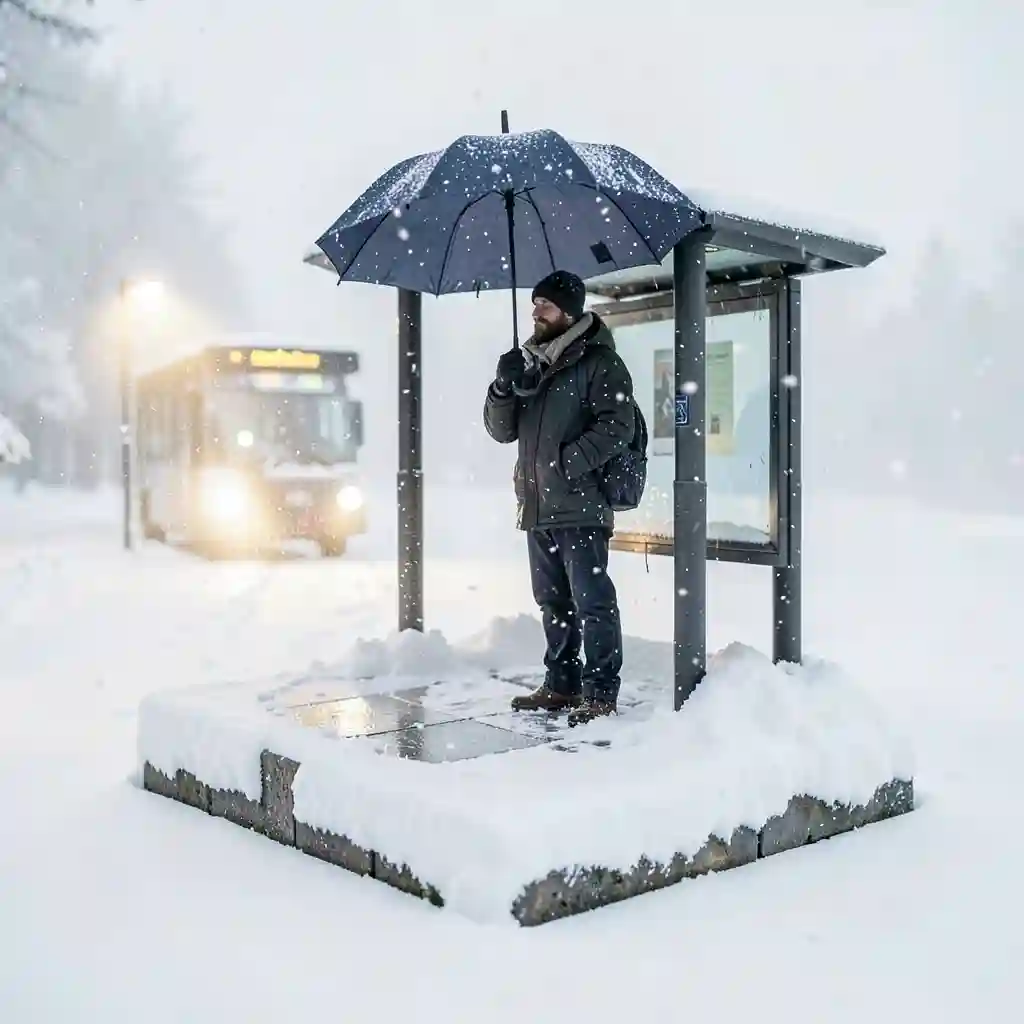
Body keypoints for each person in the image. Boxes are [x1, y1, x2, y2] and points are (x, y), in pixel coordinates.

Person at [483, 270, 635, 727]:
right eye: (533, 304)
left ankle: (601, 692)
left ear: (567, 312)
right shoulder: (529, 364)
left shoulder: (600, 363)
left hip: (580, 505)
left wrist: (565, 465)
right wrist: (502, 387)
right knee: (552, 601)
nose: (535, 312)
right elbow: (500, 430)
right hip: (537, 507)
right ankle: (561, 683)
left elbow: (617, 428)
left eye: (544, 305)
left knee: (592, 601)